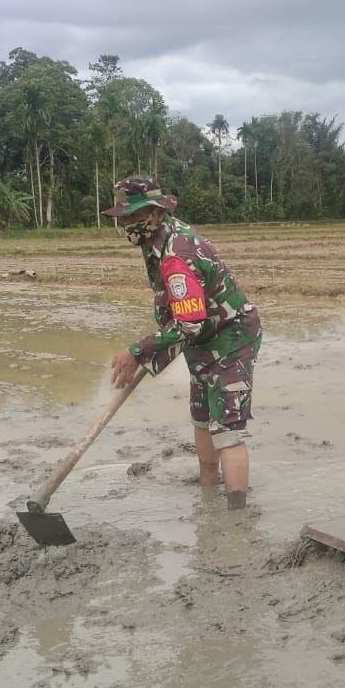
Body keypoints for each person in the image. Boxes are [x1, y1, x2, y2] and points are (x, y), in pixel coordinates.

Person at [104, 175, 262, 510]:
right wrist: (149, 357)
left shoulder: (177, 253)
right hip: (202, 337)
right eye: (124, 218)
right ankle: (208, 501)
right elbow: (181, 316)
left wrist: (138, 351)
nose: (128, 224)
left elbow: (189, 322)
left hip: (230, 337)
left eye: (134, 216)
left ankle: (235, 522)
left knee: (227, 430)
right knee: (202, 418)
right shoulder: (156, 241)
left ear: (156, 213)